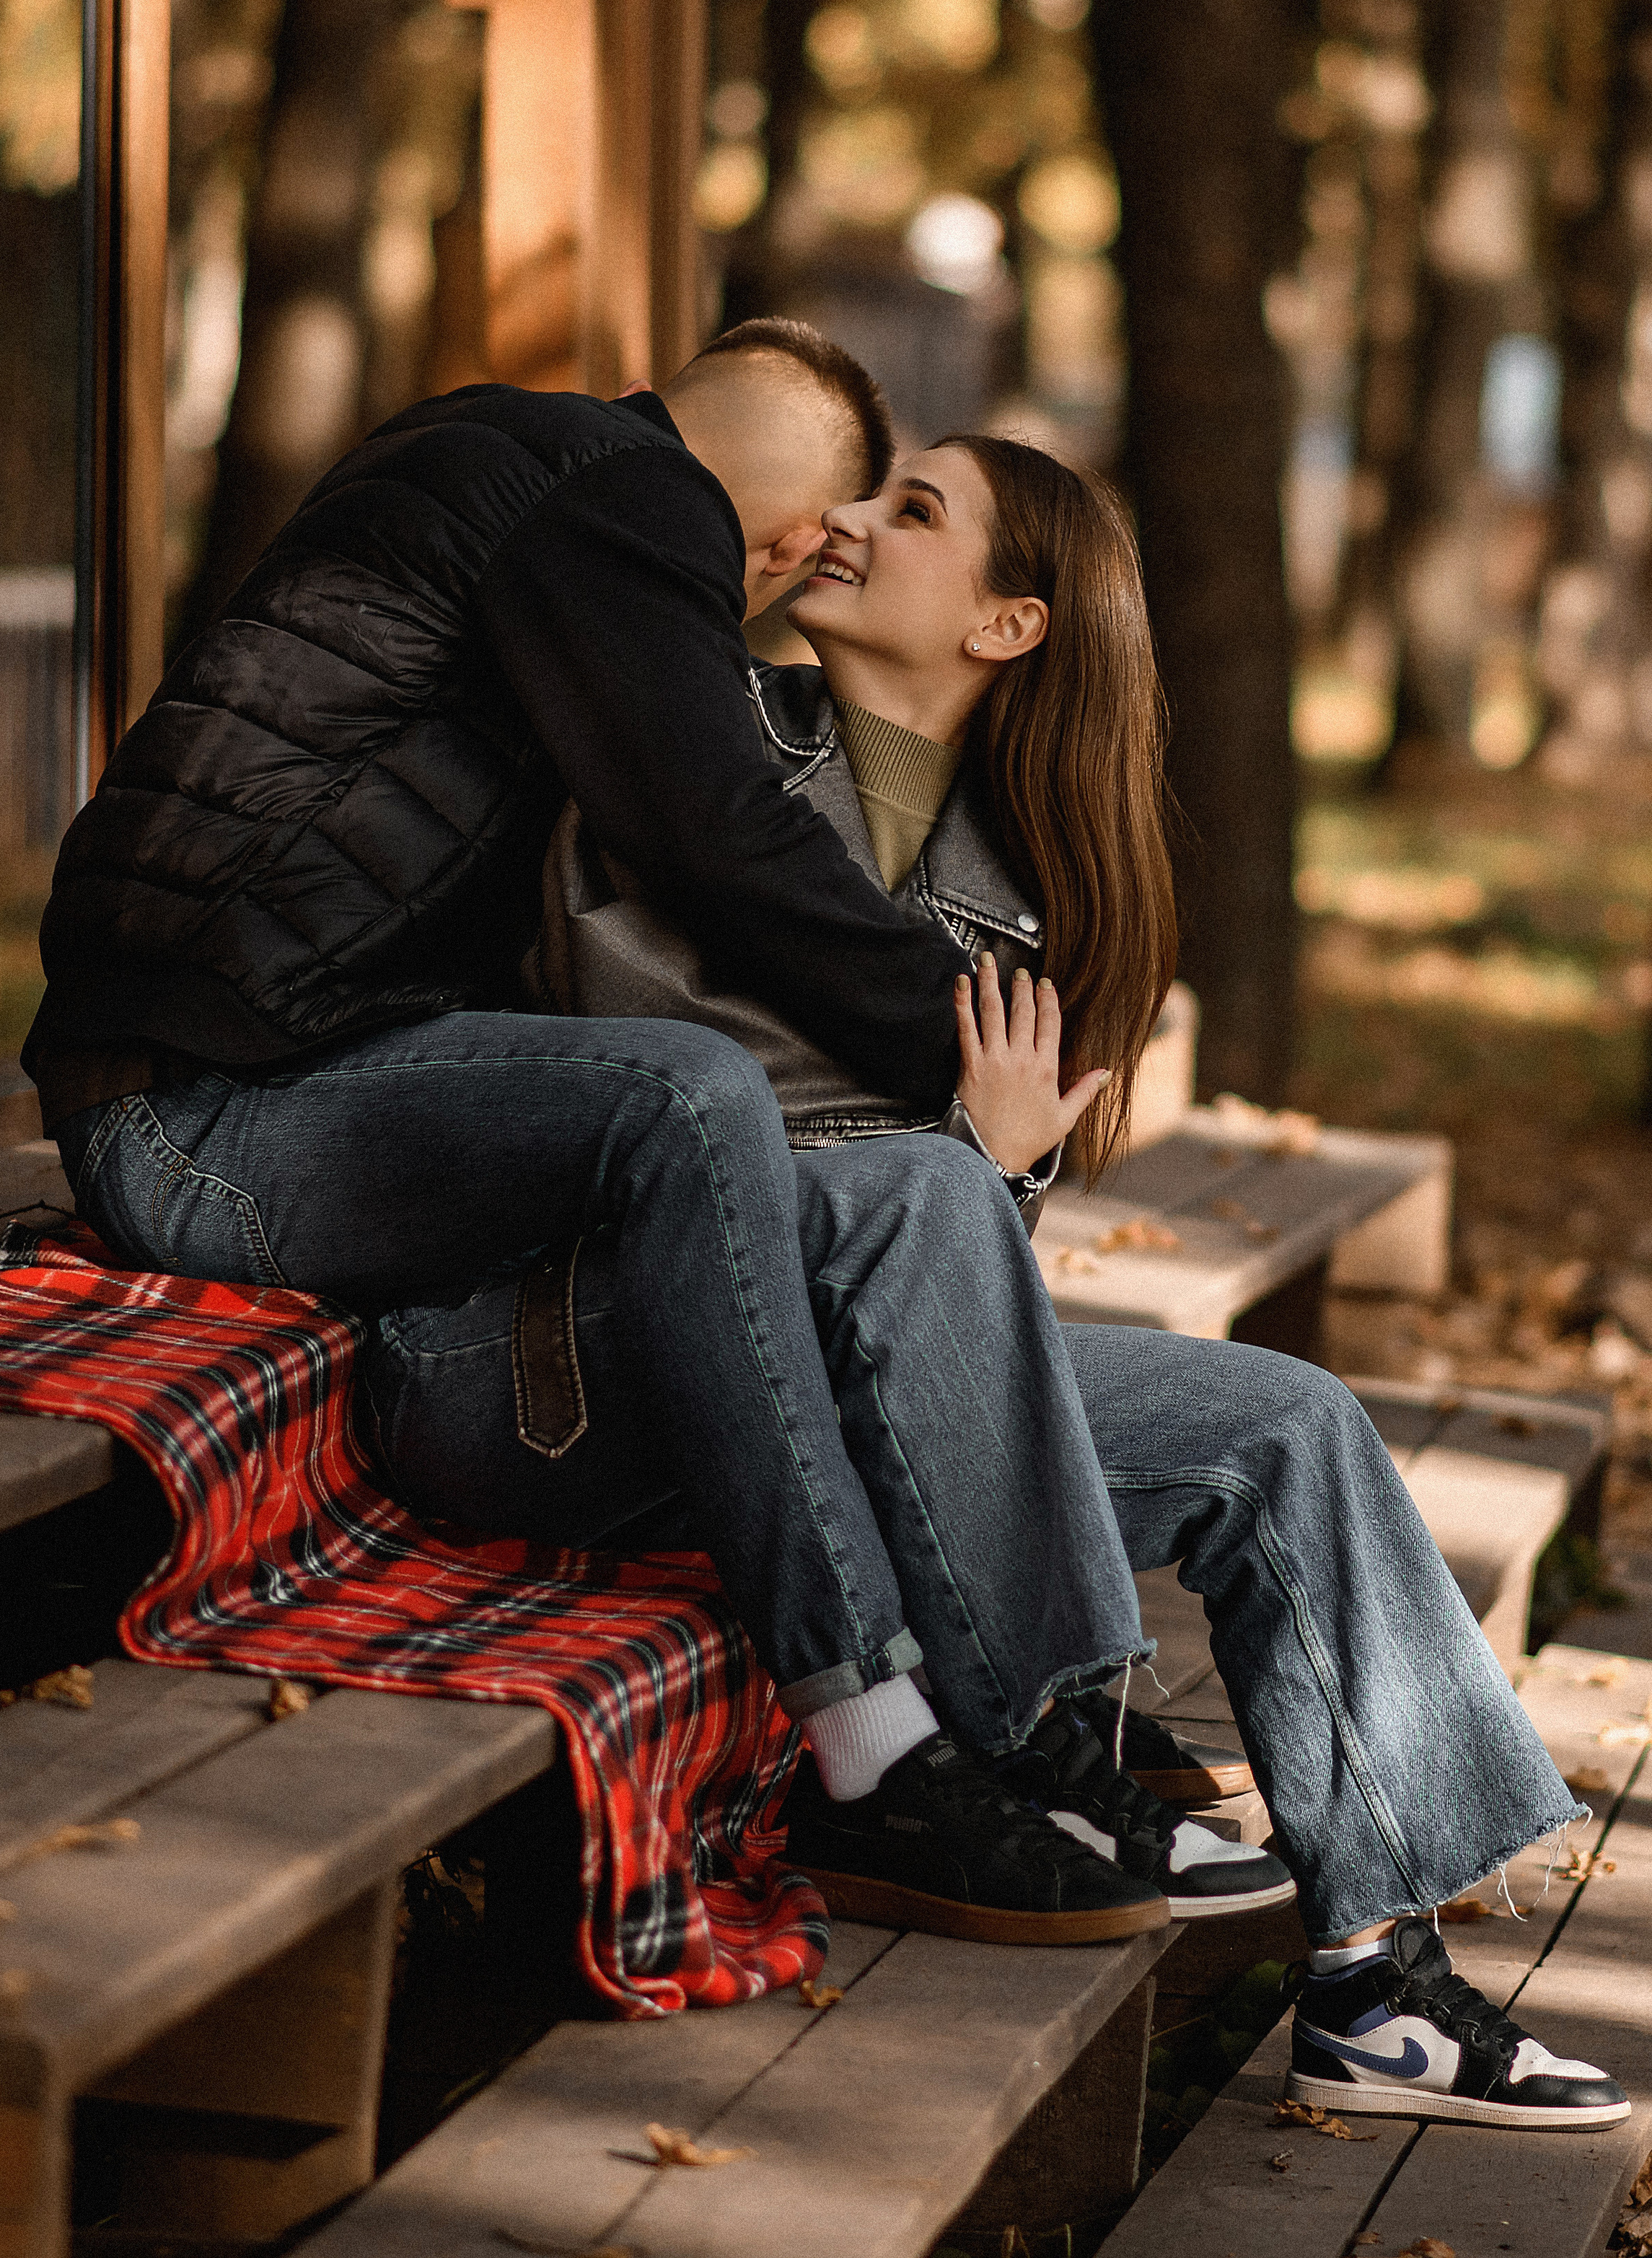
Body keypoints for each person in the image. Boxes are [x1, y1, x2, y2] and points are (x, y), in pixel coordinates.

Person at [369, 431, 1627, 2130]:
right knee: (905, 1184)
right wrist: (956, 1160)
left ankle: (1373, 1980)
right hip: (600, 1345)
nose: (853, 522)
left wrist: (1002, 1166)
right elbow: (650, 1083)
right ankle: (1051, 1744)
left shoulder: (1009, 910)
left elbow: (959, 1328)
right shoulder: (687, 750)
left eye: (915, 511)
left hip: (826, 1364)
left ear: (1008, 627)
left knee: (1293, 1427)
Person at [36, 324, 1190, 1951]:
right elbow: (714, 836)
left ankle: (1047, 1724)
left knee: (933, 1218)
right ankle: (877, 1753)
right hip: (198, 1117)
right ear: (780, 526)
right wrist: (971, 1044)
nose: (809, 561)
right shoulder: (613, 497)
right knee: (683, 1091)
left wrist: (973, 1134)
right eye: (823, 528)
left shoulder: (506, 474)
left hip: (285, 1075)